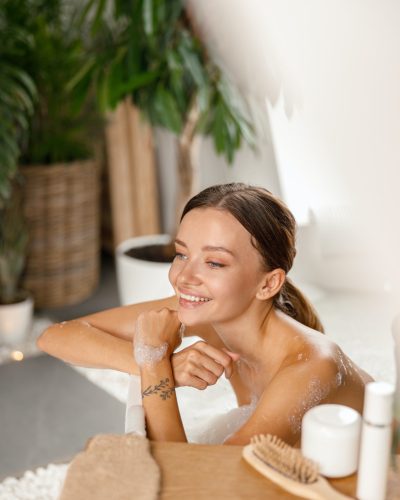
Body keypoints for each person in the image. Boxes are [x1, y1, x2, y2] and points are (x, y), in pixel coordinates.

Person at [37, 183, 373, 446]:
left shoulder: (311, 367)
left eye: (214, 262)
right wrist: (154, 362)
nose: (184, 277)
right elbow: (55, 336)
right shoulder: (213, 310)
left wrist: (155, 362)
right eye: (181, 254)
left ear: (268, 283)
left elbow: (192, 485)